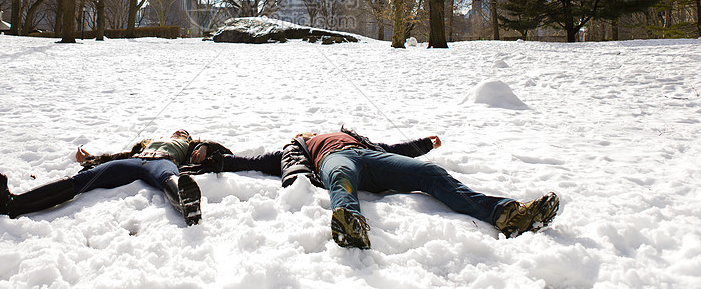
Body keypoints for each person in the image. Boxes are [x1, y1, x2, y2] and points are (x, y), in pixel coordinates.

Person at [220, 126, 559, 249]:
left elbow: (393, 149)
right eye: (304, 131)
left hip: (368, 156)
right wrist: (219, 161)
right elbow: (257, 160)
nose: (308, 130)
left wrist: (424, 144)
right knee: (341, 180)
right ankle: (351, 225)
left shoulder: (351, 135)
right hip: (335, 162)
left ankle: (506, 214)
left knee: (430, 174)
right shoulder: (301, 146)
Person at [0, 130, 232, 225]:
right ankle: (12, 204)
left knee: (168, 177)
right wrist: (91, 159)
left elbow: (224, 153)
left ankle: (187, 206)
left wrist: (205, 149)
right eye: (177, 132)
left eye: (184, 133)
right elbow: (120, 155)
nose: (179, 133)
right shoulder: (148, 142)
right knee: (86, 179)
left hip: (163, 163)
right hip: (136, 160)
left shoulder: (191, 144)